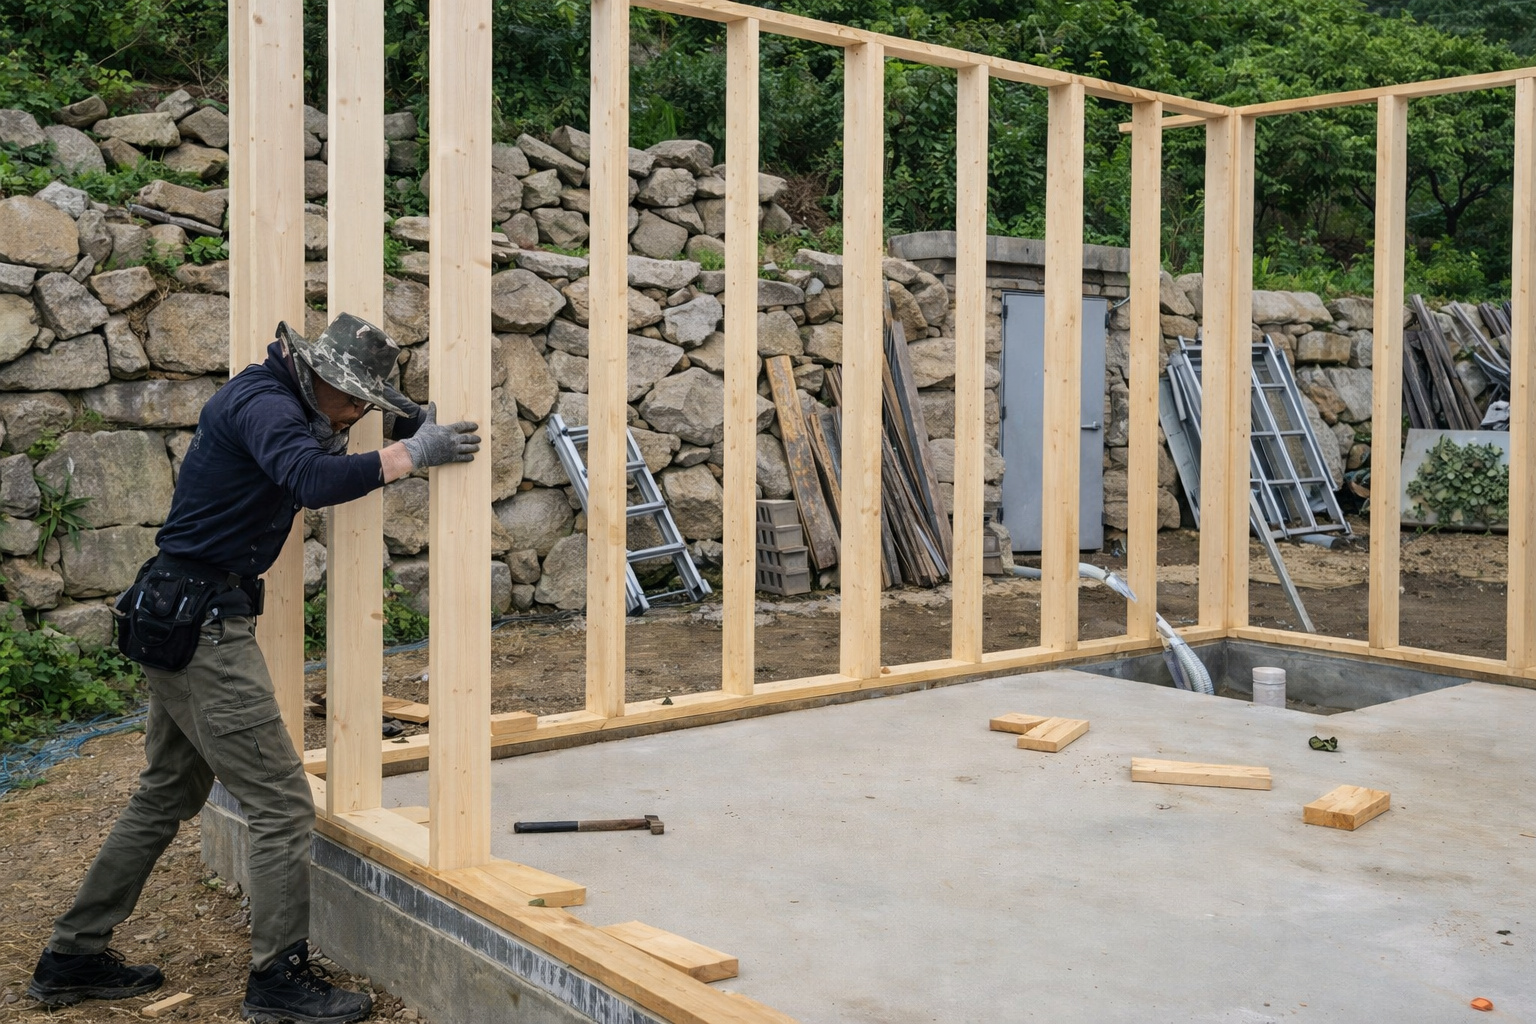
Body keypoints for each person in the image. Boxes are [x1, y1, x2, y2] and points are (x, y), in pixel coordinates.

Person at [27, 315, 480, 1024]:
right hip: (202, 630)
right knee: (281, 805)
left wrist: (395, 427)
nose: (361, 414)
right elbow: (308, 476)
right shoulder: (267, 406)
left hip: (176, 613)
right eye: (357, 399)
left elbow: (313, 452)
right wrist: (409, 455)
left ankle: (73, 955)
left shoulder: (270, 397)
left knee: (164, 793)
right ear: (319, 378)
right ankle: (278, 981)